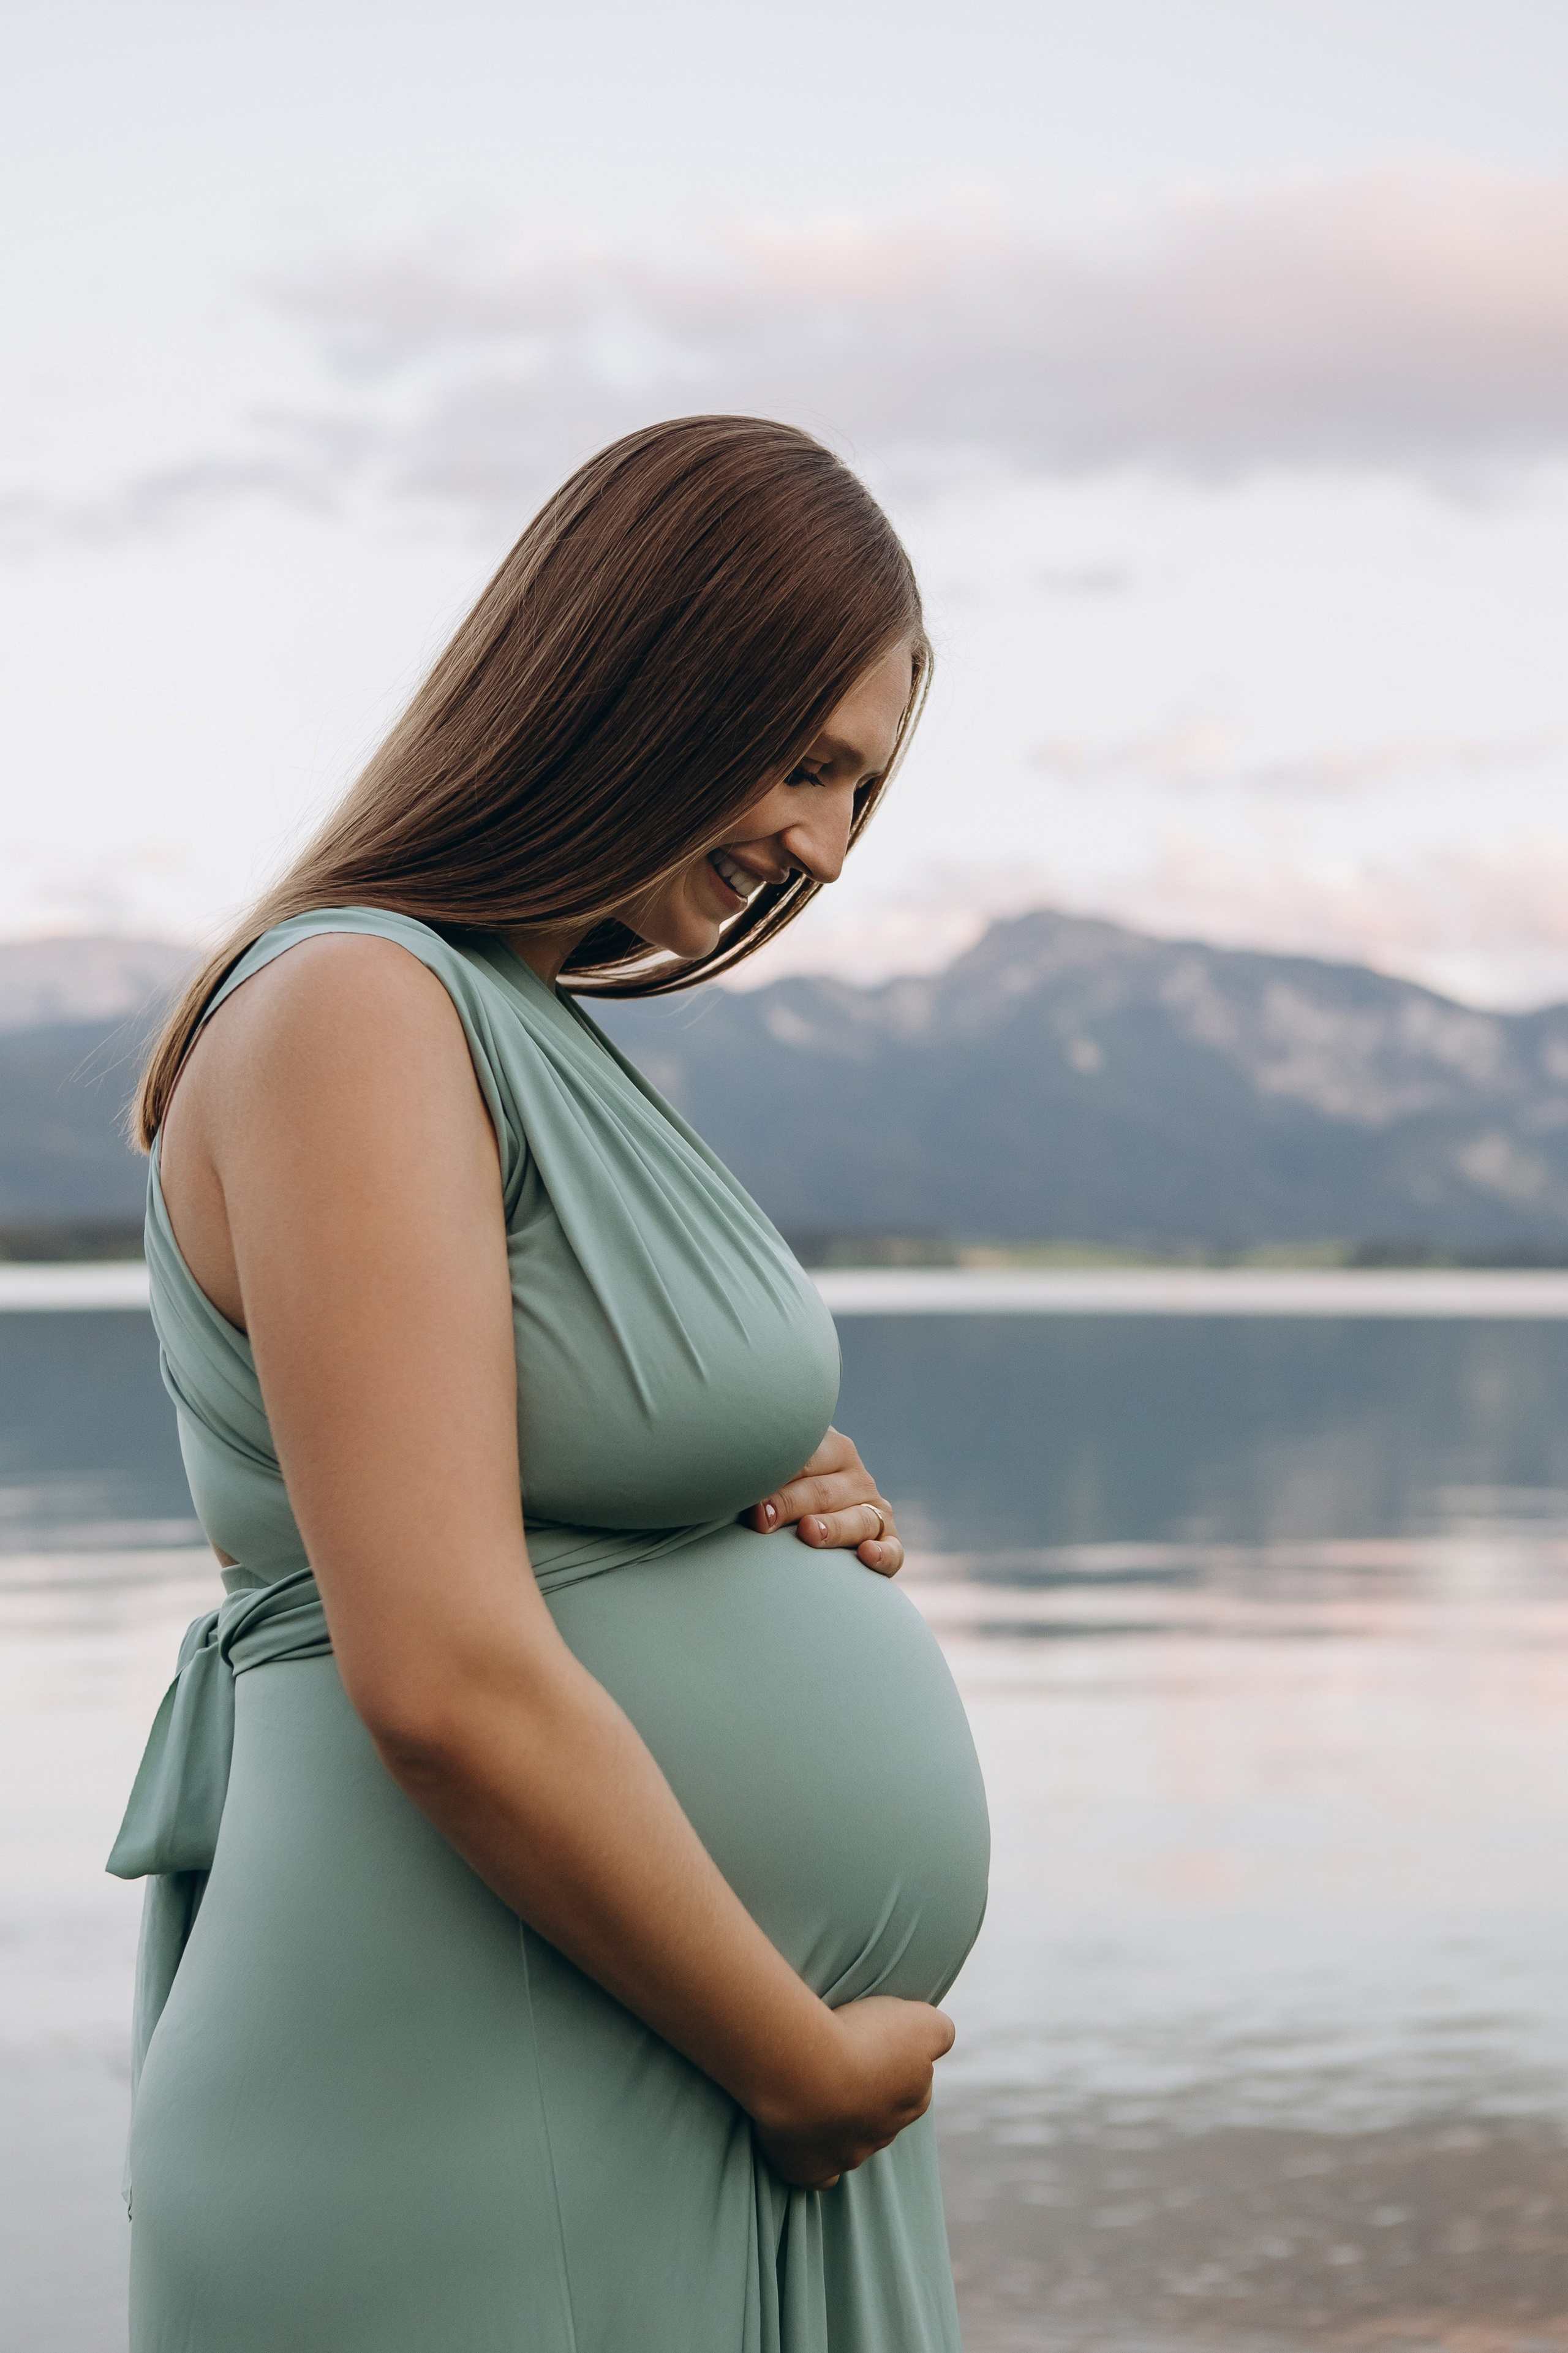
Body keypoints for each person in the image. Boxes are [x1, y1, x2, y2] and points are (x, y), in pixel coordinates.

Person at [110, 414, 991, 2351]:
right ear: (646, 692)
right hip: (486, 2092)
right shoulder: (356, 1002)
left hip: (639, 2068)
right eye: (808, 762)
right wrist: (801, 2067)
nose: (829, 849)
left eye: (866, 791)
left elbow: (517, 1442)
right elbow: (434, 1670)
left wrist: (765, 1480)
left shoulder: (504, 1013)